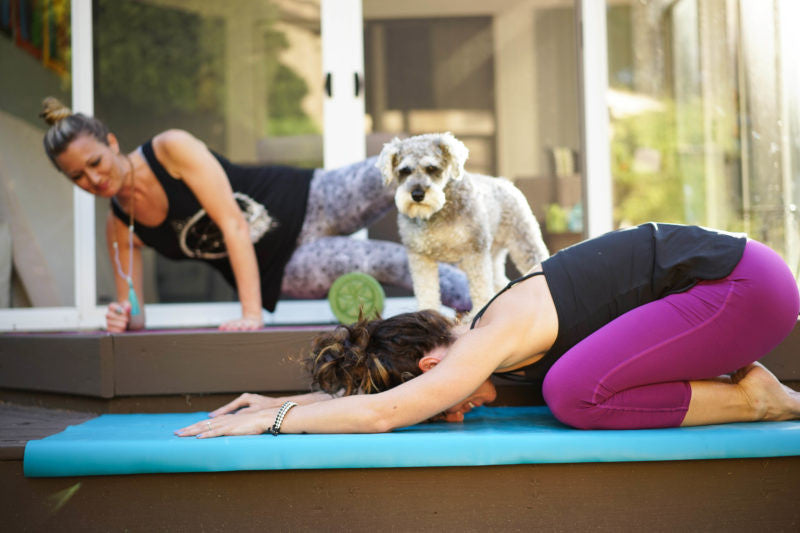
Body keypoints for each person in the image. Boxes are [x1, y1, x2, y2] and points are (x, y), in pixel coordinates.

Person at [176, 222, 800, 435]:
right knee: (573, 385)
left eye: (437, 403)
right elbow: (378, 401)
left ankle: (754, 400)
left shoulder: (488, 338)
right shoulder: (485, 332)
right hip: (735, 288)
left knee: (572, 391)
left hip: (744, 288)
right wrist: (291, 398)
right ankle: (750, 394)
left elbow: (381, 414)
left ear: (431, 368)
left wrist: (271, 421)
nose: (451, 410)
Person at [39, 98, 471, 332]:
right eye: (77, 176)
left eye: (94, 163)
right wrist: (122, 318)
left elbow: (232, 223)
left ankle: (486, 237)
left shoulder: (169, 149)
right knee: (387, 260)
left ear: (111, 143)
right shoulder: (120, 227)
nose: (92, 180)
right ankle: (481, 306)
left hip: (310, 197)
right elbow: (134, 315)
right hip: (284, 270)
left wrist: (250, 315)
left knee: (400, 164)